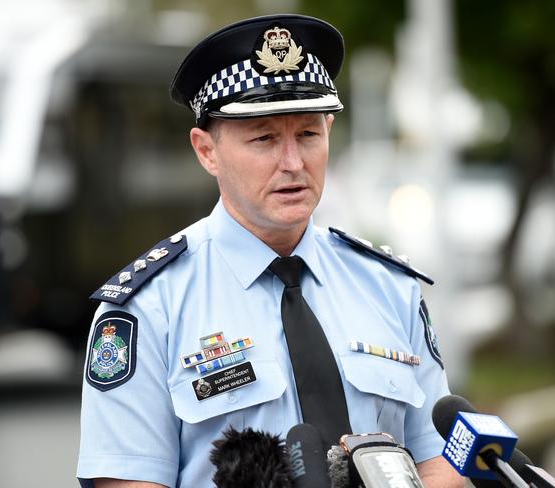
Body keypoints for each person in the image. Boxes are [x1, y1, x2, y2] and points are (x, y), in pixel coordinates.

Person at [77, 14, 463, 488]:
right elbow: (128, 479)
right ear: (206, 151)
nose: (293, 163)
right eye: (263, 138)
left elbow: (438, 458)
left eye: (308, 134)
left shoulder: (387, 286)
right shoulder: (149, 308)